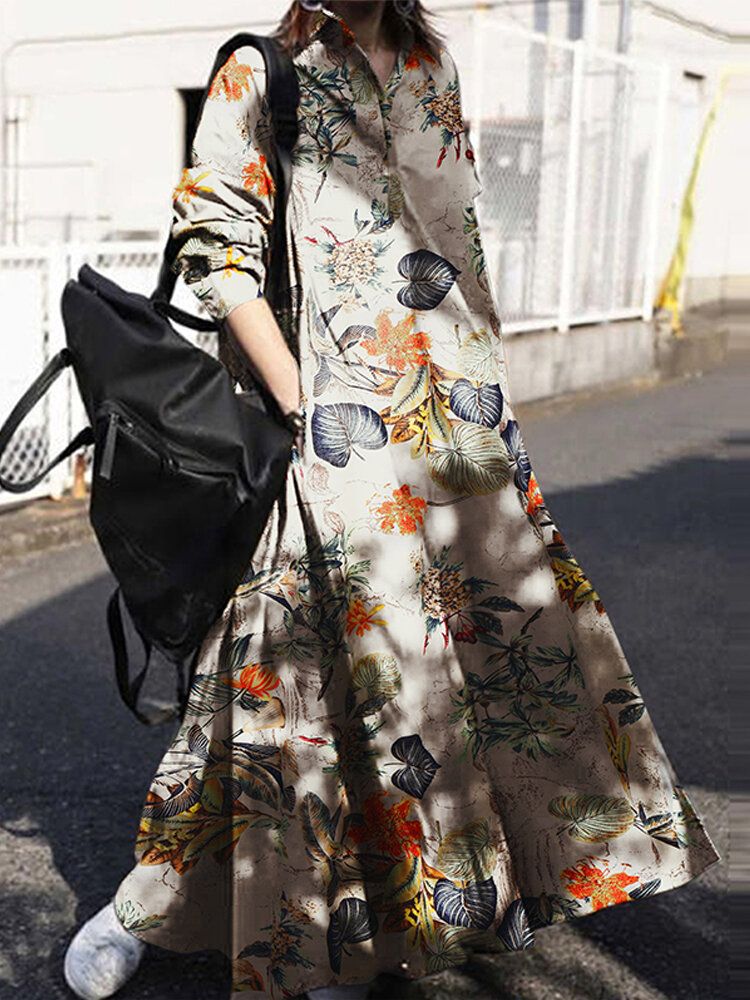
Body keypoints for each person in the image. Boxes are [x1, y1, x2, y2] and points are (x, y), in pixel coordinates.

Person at [64, 2, 721, 999]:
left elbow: (457, 246)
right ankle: (150, 906)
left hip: (458, 430)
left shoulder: (430, 66)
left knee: (467, 684)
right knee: (286, 688)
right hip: (336, 438)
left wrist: (491, 403)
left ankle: (360, 922)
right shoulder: (264, 73)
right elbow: (218, 250)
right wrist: (302, 406)